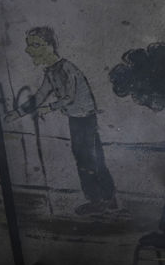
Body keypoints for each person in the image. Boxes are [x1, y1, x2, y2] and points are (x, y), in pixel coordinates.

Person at [22, 26, 118, 215]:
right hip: (76, 119)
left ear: (50, 46)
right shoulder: (51, 70)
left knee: (89, 159)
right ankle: (102, 199)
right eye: (29, 45)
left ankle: (103, 199)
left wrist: (49, 108)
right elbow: (41, 93)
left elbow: (69, 97)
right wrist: (19, 111)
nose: (29, 50)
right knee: (84, 158)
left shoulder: (67, 68)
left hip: (85, 119)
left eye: (35, 45)